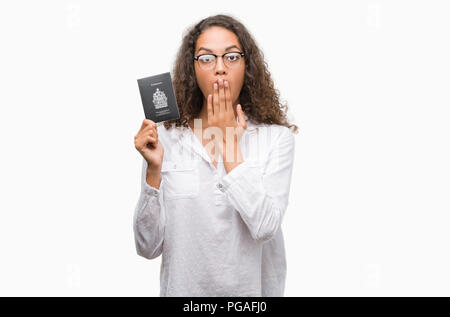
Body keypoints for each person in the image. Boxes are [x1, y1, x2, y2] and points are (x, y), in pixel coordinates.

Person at [133, 14, 298, 297]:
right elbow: (147, 247)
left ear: (247, 66)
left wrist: (229, 144)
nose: (220, 68)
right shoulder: (168, 138)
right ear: (192, 69)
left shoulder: (276, 138)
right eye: (207, 58)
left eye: (232, 57)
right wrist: (153, 172)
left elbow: (265, 227)